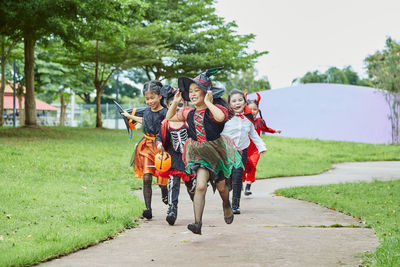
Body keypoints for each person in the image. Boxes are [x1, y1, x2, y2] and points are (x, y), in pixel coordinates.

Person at [166, 68, 241, 235]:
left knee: (222, 188)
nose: (192, 94)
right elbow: (169, 118)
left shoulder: (214, 111)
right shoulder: (188, 112)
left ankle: (226, 204)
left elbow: (221, 118)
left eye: (196, 90)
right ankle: (197, 223)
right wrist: (177, 101)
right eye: (190, 91)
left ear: (206, 93)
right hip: (199, 153)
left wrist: (208, 102)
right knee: (200, 186)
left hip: (216, 153)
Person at [122, 80, 169, 220]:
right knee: (147, 177)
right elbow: (144, 120)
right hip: (146, 147)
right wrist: (129, 116)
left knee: (161, 179)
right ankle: (148, 208)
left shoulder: (165, 112)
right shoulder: (147, 111)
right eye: (147, 98)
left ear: (160, 96)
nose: (149, 101)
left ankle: (164, 191)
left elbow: (168, 125)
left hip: (160, 146)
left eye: (152, 98)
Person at [222, 89, 267, 214]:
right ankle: (226, 200)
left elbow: (254, 135)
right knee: (227, 178)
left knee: (238, 177)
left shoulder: (248, 119)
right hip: (227, 152)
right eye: (234, 101)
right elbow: (218, 133)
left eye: (240, 100)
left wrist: (261, 147)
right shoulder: (225, 118)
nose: (237, 103)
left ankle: (235, 205)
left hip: (242, 151)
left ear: (244, 102)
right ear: (229, 103)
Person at [155, 85, 194, 226]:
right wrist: (159, 144)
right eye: (173, 104)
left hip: (188, 158)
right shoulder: (166, 123)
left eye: (180, 104)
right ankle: (172, 208)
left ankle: (197, 205)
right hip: (173, 157)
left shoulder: (188, 121)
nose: (177, 107)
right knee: (174, 183)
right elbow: (159, 137)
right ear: (167, 106)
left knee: (191, 184)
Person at [243, 93, 281, 196]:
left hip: (255, 150)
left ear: (258, 110)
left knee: (253, 165)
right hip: (244, 149)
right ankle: (239, 183)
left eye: (255, 109)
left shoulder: (259, 122)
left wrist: (275, 131)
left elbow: (266, 129)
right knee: (242, 167)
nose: (252, 111)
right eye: (250, 109)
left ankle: (248, 186)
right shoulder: (243, 121)